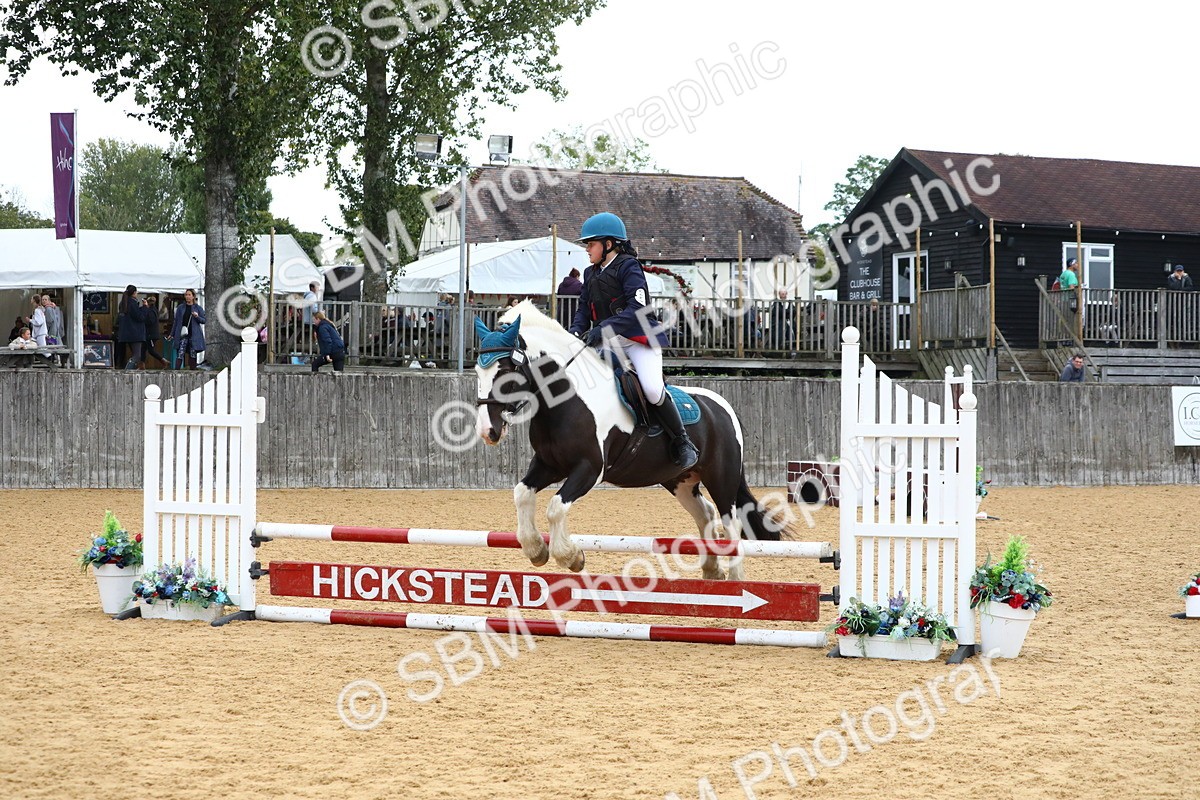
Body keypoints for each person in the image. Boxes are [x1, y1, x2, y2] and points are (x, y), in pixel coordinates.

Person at [568, 212, 698, 470]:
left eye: (591, 244)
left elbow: (637, 308)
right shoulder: (590, 273)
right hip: (609, 339)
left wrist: (603, 328)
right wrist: (573, 334)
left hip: (638, 339)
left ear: (608, 245)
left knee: (651, 389)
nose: (587, 249)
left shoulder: (629, 266)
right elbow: (583, 310)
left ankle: (683, 442)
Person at [117, 285, 152, 370]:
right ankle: (127, 372)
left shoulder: (123, 303)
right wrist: (145, 307)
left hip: (126, 332)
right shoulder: (132, 303)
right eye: (136, 292)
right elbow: (140, 317)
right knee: (137, 355)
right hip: (135, 333)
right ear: (134, 293)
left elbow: (132, 314)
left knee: (132, 355)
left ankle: (129, 370)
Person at [169, 288, 206, 369]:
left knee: (192, 354)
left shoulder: (198, 308)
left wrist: (197, 317)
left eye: (189, 295)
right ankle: (176, 371)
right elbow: (176, 321)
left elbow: (203, 320)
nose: (187, 297)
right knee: (180, 353)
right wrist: (172, 334)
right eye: (186, 295)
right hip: (182, 334)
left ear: (193, 296)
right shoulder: (180, 308)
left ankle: (193, 371)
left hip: (194, 335)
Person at [141, 295, 169, 368]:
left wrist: (143, 321)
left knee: (151, 350)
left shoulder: (151, 311)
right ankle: (142, 365)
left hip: (151, 334)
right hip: (148, 334)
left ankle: (163, 360)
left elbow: (150, 321)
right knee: (143, 349)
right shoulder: (153, 309)